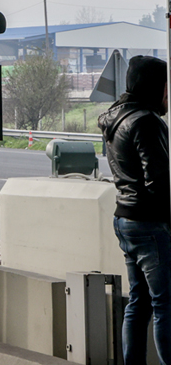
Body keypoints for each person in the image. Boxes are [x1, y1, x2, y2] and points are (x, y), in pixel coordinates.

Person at [100, 55, 170, 365]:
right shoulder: (146, 121)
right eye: (166, 86)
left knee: (139, 301)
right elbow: (158, 181)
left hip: (125, 218)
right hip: (149, 224)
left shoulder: (115, 117)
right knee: (165, 302)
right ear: (155, 86)